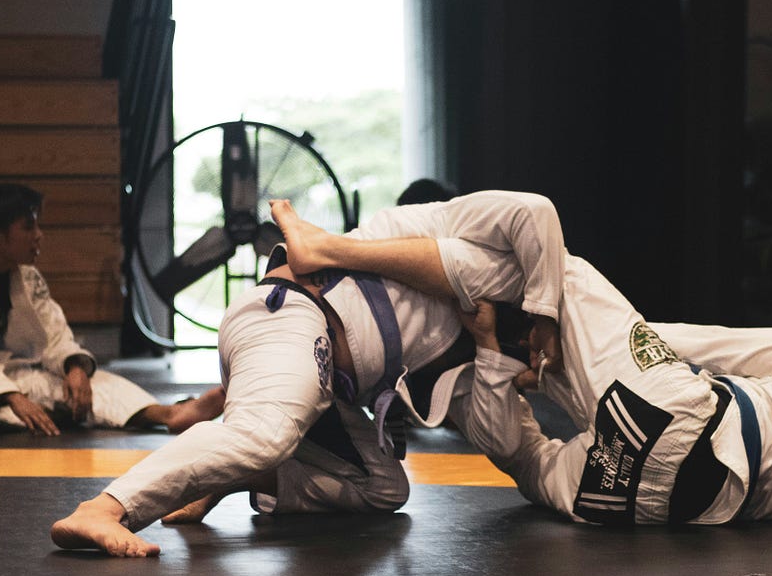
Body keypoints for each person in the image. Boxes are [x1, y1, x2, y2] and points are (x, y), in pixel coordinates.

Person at [275, 206, 772, 525]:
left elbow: (717, 346)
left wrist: (598, 331)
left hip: (679, 417)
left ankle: (331, 248)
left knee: (563, 276)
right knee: (528, 463)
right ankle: (495, 358)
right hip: (662, 507)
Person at [51, 190, 569, 556]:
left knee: (383, 488)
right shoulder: (434, 228)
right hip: (287, 316)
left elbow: (504, 442)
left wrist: (492, 352)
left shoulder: (475, 343)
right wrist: (547, 312)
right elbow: (533, 210)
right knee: (266, 432)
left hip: (320, 378)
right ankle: (104, 508)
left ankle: (240, 476)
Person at [0, 183, 225, 437]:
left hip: (8, 376)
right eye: (28, 227)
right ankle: (52, 413)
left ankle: (168, 414)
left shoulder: (26, 277)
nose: (38, 235)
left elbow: (55, 334)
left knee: (86, 386)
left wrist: (75, 369)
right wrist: (11, 396)